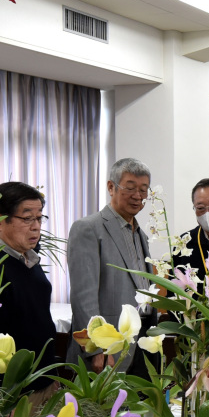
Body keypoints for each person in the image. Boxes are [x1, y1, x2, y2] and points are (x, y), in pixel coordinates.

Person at [0, 182, 57, 393]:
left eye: (39, 218)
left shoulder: (27, 257)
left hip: (42, 380)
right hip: (11, 393)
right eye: (27, 218)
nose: (36, 226)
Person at [67, 158, 153, 374]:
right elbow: (83, 296)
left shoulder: (140, 234)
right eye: (131, 188)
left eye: (144, 190)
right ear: (111, 187)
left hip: (140, 344)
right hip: (107, 350)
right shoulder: (88, 228)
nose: (138, 196)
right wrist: (96, 347)